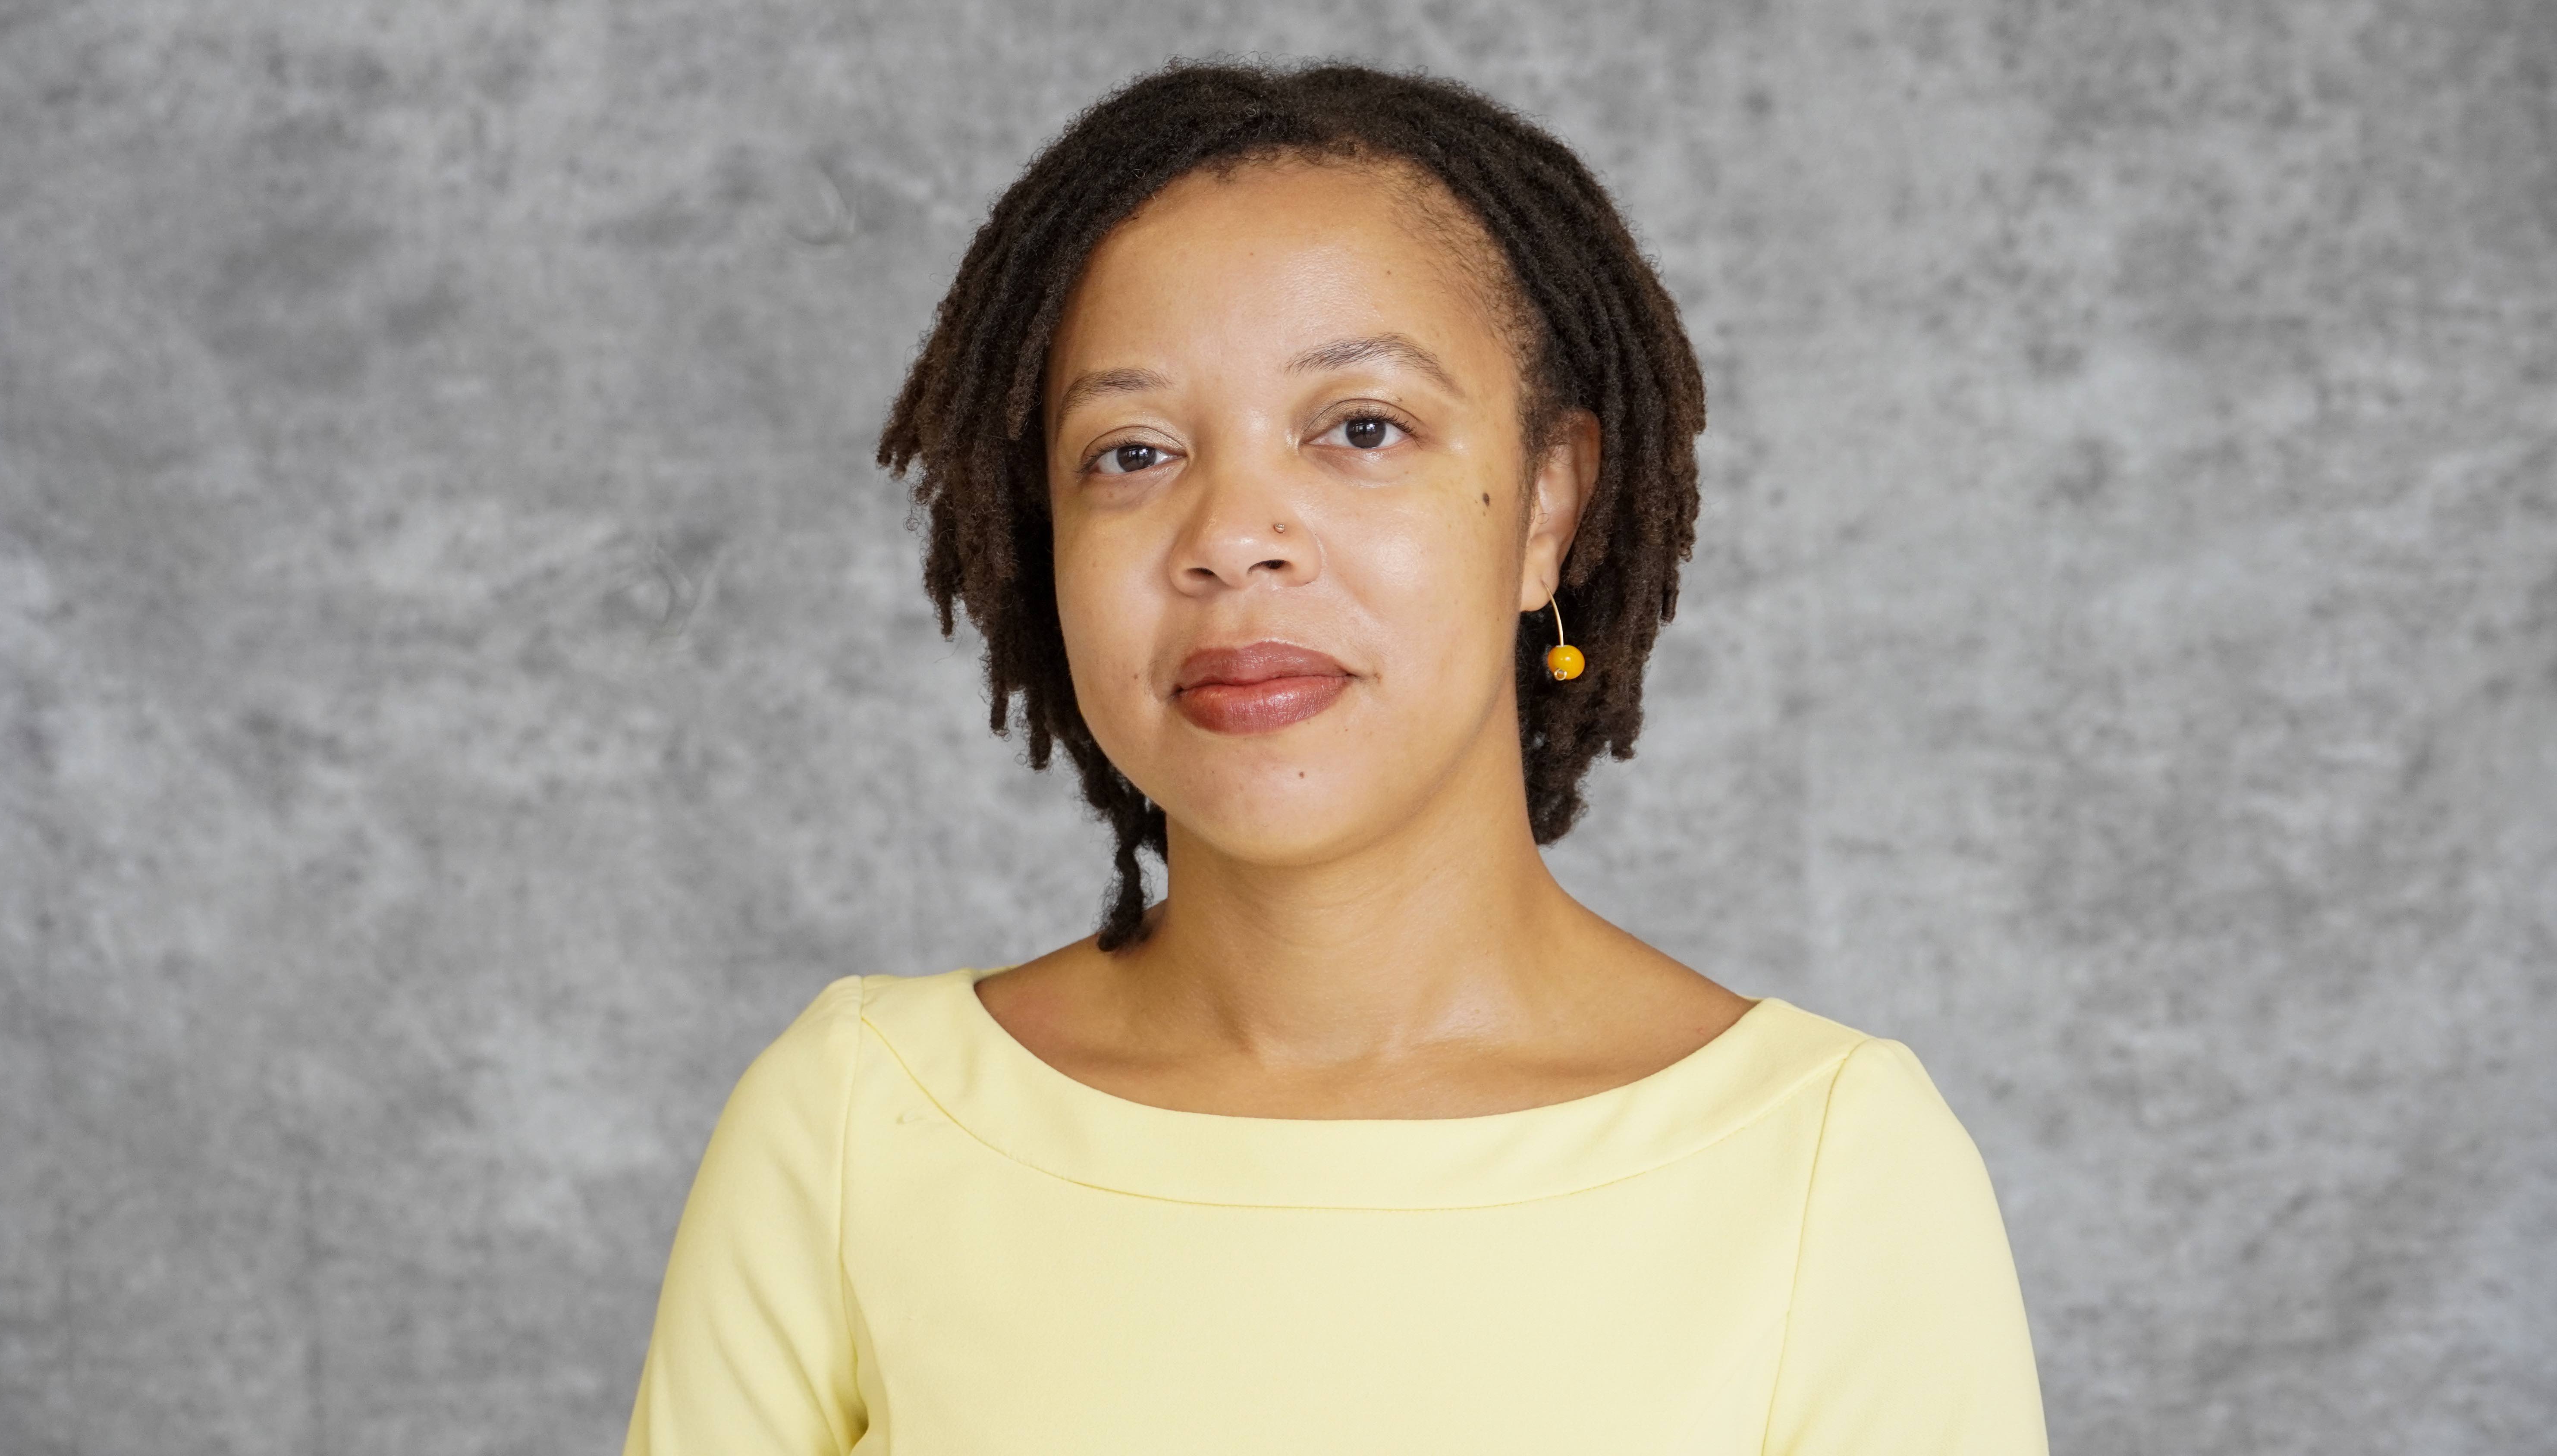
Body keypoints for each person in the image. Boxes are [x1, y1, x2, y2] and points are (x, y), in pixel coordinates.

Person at [622, 60, 2046, 1454]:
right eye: (1130, 453)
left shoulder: (1827, 1166)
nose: (1234, 533)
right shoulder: (858, 1122)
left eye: (1363, 429)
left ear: (1548, 503)